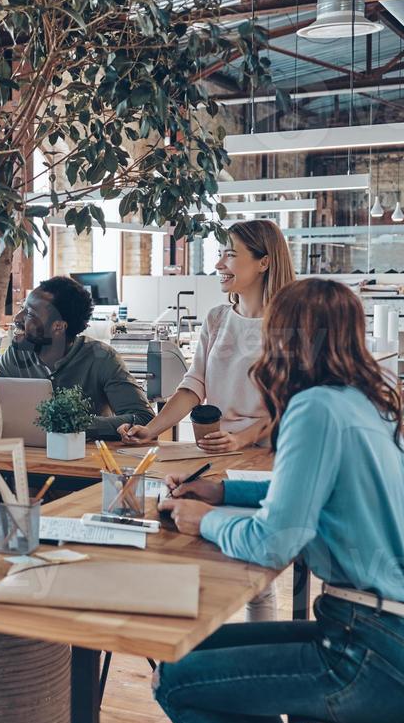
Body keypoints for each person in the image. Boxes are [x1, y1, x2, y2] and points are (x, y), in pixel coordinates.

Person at [154, 278, 404, 723]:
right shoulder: (366, 401)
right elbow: (303, 489)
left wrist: (200, 519)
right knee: (195, 660)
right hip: (399, 642)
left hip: (368, 659)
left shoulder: (314, 408)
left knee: (176, 683)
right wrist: (223, 485)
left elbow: (274, 541)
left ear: (288, 338)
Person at [121, 219, 295, 621]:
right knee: (188, 551)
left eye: (231, 254)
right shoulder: (218, 318)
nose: (220, 263)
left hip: (263, 456)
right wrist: (154, 428)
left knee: (255, 576)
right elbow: (193, 385)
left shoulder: (288, 323)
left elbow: (292, 400)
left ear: (264, 262)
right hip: (211, 456)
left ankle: (254, 665)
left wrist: (246, 436)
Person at [0, 275, 154, 438]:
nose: (17, 318)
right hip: (26, 455)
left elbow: (144, 418)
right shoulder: (15, 356)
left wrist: (75, 425)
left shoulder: (102, 358)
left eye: (29, 313)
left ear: (58, 327)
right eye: (23, 308)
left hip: (85, 458)